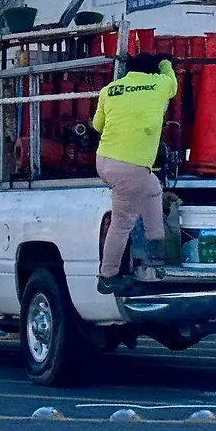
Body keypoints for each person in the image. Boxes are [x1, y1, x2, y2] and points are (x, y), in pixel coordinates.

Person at [91, 51, 177, 294]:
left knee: (152, 188)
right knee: (121, 224)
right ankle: (107, 276)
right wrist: (166, 62)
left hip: (105, 161)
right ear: (152, 70)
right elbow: (172, 84)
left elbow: (97, 125)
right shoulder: (159, 84)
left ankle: (156, 241)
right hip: (131, 165)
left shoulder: (110, 89)